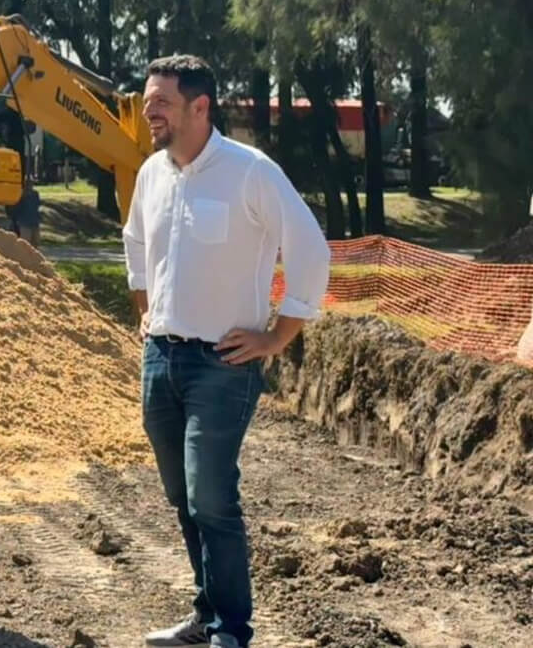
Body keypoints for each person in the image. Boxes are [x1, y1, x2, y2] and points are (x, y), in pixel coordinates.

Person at [123, 55, 330, 648]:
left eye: (160, 101)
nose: (149, 112)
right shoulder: (151, 174)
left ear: (199, 106)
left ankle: (232, 631)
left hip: (222, 364)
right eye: (147, 102)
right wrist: (146, 311)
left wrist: (276, 336)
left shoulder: (250, 172)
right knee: (183, 497)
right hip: (159, 360)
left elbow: (311, 249)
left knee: (211, 495)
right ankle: (207, 613)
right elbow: (135, 241)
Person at [7, 178, 42, 248]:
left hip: (34, 222)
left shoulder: (35, 194)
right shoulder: (20, 195)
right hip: (24, 223)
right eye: (28, 184)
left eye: (31, 184)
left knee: (36, 243)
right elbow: (16, 208)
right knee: (25, 243)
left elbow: (37, 205)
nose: (30, 186)